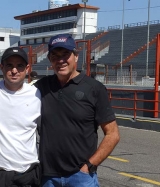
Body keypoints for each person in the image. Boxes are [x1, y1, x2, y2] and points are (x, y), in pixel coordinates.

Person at [33, 34, 120, 187]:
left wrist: (89, 166)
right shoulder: (41, 87)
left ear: (76, 56)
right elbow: (14, 90)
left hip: (80, 177)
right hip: (48, 177)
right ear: (49, 59)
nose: (60, 60)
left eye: (65, 54)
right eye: (55, 56)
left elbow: (112, 134)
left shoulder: (94, 89)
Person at [0, 47, 42, 187]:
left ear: (27, 68)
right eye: (9, 65)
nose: (14, 70)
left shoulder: (37, 95)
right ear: (1, 67)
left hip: (27, 174)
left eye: (20, 66)